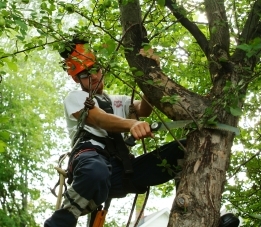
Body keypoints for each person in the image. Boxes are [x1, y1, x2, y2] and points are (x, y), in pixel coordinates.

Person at [44, 39, 240, 227]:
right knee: (96, 171)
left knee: (184, 149)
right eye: (86, 75)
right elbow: (98, 118)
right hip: (90, 161)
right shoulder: (76, 98)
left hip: (121, 171)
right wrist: (131, 124)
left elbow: (144, 109)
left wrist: (150, 74)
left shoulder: (118, 101)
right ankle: (60, 222)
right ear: (77, 79)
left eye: (95, 70)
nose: (94, 77)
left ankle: (202, 215)